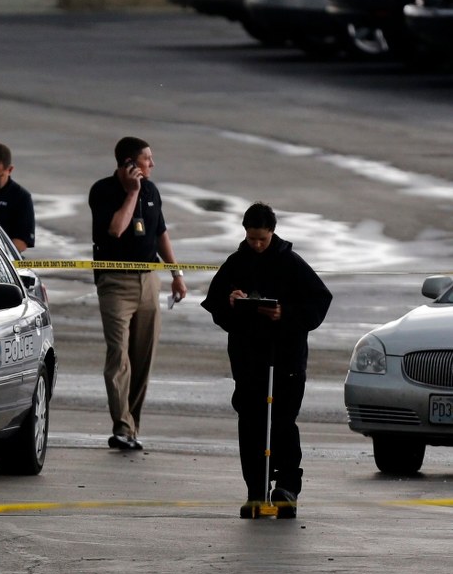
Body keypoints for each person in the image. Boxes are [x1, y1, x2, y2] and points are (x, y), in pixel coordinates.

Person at [200, 202, 332, 519]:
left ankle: (287, 487)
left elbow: (319, 300)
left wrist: (284, 312)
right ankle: (256, 490)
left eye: (262, 238)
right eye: (252, 238)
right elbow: (215, 302)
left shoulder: (291, 263)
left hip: (286, 357)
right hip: (249, 357)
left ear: (272, 232)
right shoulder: (235, 263)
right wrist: (231, 301)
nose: (257, 244)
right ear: (245, 233)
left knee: (283, 421)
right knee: (251, 422)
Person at [88, 136, 188, 451]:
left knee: (142, 357)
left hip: (148, 281)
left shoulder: (152, 190)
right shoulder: (103, 191)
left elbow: (160, 232)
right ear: (130, 164)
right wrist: (132, 193)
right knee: (119, 355)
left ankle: (132, 426)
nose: (152, 164)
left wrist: (176, 273)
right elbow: (116, 229)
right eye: (147, 159)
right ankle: (121, 426)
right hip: (115, 283)